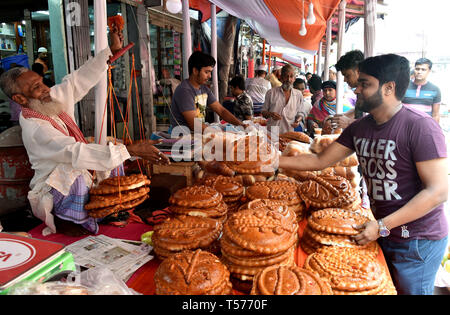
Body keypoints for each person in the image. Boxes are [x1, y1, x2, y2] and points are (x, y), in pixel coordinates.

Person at [279, 54, 448, 295]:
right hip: (382, 231)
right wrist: (272, 161)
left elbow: (438, 191)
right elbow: (320, 160)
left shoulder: (420, 127)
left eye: (365, 84)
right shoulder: (360, 128)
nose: (356, 89)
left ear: (389, 88)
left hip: (416, 240)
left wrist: (381, 226)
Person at [0, 25, 170, 236]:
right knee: (78, 173)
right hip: (54, 191)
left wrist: (109, 51)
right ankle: (74, 223)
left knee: (112, 150)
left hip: (75, 165)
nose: (44, 89)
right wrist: (131, 150)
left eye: (41, 82)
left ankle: (107, 212)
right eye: (35, 87)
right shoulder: (35, 127)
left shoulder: (46, 98)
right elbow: (74, 152)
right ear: (19, 99)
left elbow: (75, 82)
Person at [169, 51, 245, 132]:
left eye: (210, 72)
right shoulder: (184, 91)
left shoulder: (204, 89)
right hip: (183, 138)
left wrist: (241, 125)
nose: (209, 76)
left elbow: (221, 111)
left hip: (198, 135)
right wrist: (219, 134)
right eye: (206, 72)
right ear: (195, 71)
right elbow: (194, 124)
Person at [261, 64, 309, 134]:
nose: (289, 79)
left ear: (294, 79)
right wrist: (270, 114)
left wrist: (298, 120)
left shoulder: (298, 95)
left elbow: (300, 113)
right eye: (286, 76)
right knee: (272, 145)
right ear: (281, 77)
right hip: (273, 131)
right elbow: (263, 112)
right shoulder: (271, 93)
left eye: (291, 76)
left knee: (287, 145)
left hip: (289, 131)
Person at [331, 49, 365, 129]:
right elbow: (359, 110)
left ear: (358, 71)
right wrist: (342, 116)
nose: (345, 80)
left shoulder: (373, 92)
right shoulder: (360, 91)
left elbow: (377, 123)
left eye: (347, 75)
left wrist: (349, 122)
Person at [403, 58, 442, 123]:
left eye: (423, 70)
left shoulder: (435, 90)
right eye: (417, 69)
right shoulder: (403, 86)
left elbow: (435, 115)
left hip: (424, 128)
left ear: (429, 71)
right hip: (404, 126)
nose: (419, 72)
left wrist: (435, 131)